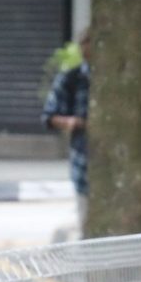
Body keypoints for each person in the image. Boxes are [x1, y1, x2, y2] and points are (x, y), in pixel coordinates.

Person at [42, 45, 90, 230]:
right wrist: (72, 122)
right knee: (85, 219)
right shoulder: (72, 78)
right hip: (83, 159)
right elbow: (49, 116)